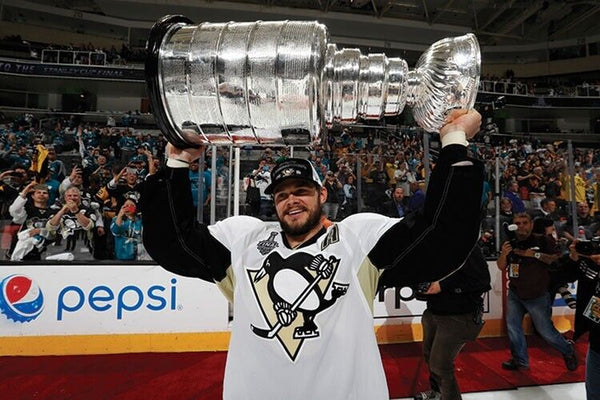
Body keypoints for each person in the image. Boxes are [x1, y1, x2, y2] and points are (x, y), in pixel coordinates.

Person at [142, 110, 484, 400]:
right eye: (281, 195)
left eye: (301, 191)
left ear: (321, 194)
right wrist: (177, 162)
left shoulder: (357, 240)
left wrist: (454, 141)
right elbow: (172, 243)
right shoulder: (244, 241)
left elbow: (442, 236)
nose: (291, 200)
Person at [496, 212, 578, 371]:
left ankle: (567, 350)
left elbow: (556, 260)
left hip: (537, 294)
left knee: (545, 331)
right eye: (517, 223)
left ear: (531, 225)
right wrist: (504, 254)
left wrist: (535, 254)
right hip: (515, 292)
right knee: (513, 327)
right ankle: (520, 360)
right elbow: (501, 266)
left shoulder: (543, 240)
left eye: (524, 223)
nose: (521, 226)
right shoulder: (509, 243)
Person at [411, 245, 491, 400]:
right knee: (430, 357)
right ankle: (437, 392)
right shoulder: (430, 247)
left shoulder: (466, 246)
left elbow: (482, 281)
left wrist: (443, 286)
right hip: (433, 311)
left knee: (440, 366)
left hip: (459, 316)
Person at [566, 240, 600, 400]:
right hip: (596, 341)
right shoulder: (593, 265)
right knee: (593, 393)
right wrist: (574, 259)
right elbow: (564, 276)